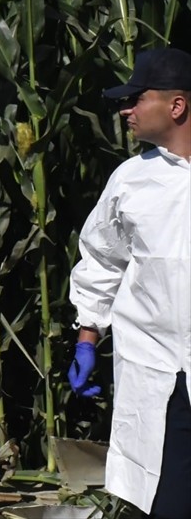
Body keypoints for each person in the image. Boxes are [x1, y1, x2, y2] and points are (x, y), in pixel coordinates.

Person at [67, 47, 191, 519]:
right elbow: (102, 259)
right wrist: (87, 337)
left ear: (176, 106)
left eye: (137, 99)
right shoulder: (131, 181)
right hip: (157, 372)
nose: (126, 110)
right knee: (169, 503)